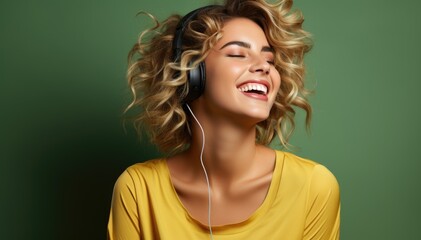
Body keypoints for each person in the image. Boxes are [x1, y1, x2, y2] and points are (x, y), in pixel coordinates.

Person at [107, 0, 340, 239]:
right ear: (191, 74)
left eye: (270, 60)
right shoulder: (138, 189)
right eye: (238, 54)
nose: (264, 67)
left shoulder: (313, 186)